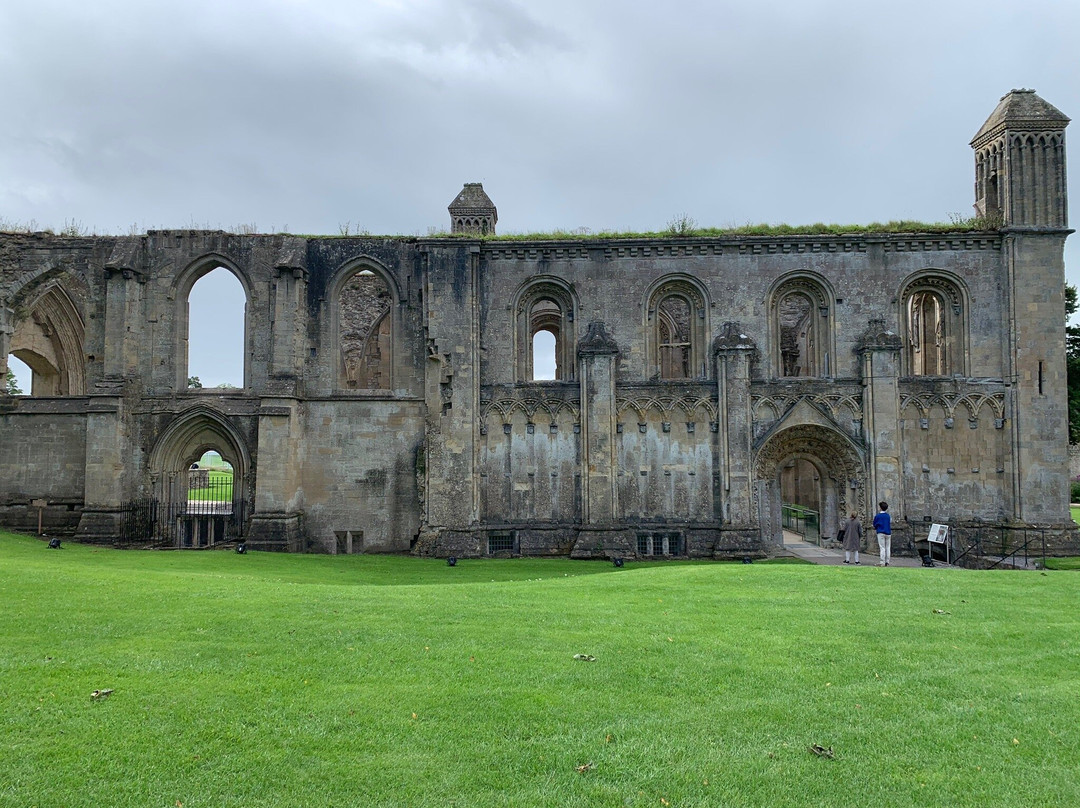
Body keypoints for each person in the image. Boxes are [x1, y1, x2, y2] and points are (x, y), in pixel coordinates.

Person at [873, 501, 892, 566]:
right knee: (888, 547)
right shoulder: (888, 516)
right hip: (888, 532)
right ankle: (887, 561)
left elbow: (875, 524)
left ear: (880, 508)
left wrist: (876, 527)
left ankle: (882, 561)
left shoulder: (878, 516)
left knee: (882, 547)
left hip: (880, 532)